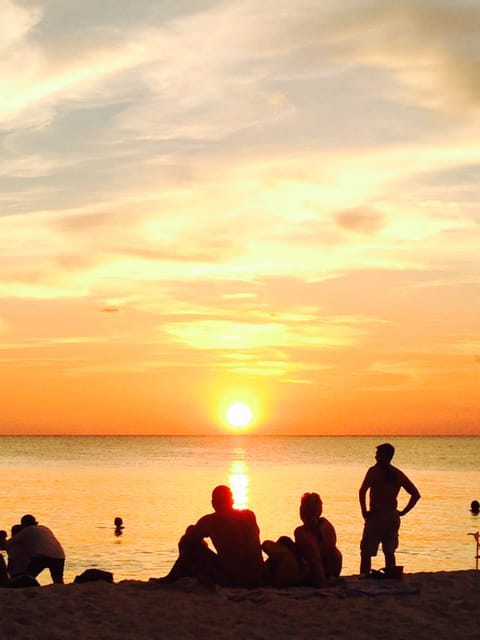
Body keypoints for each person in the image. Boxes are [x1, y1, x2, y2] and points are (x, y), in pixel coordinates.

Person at [154, 485, 264, 588]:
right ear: (232, 501)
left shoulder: (210, 521)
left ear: (213, 503)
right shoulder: (249, 515)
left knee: (191, 540)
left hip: (233, 580)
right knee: (193, 535)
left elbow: (186, 542)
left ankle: (171, 578)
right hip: (258, 578)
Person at [359, 443, 420, 577]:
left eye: (378, 454)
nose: (375, 456)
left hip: (377, 516)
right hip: (392, 516)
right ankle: (391, 576)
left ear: (384, 456)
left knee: (366, 552)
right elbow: (415, 495)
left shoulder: (374, 472)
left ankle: (363, 577)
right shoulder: (398, 473)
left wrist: (364, 511)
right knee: (389, 551)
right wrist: (402, 512)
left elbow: (362, 491)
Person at [294, 492, 342, 587]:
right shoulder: (326, 524)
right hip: (335, 568)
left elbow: (315, 559)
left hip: (320, 572)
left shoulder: (301, 532)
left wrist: (322, 582)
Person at [7, 515, 65, 584]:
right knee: (58, 581)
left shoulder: (26, 530)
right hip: (59, 555)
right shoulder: (45, 528)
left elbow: (10, 543)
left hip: (42, 556)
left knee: (28, 576)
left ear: (23, 525)